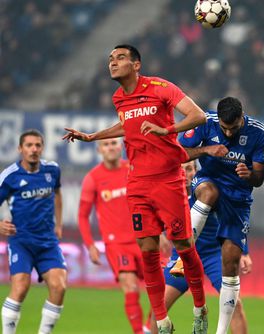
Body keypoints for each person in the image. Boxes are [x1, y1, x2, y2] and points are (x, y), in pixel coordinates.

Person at [62, 44, 209, 334]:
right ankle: (162, 322)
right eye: (110, 59)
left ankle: (200, 308)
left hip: (168, 179)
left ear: (136, 64)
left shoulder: (160, 87)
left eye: (119, 58)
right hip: (138, 182)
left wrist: (165, 130)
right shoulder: (119, 98)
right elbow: (127, 125)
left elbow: (198, 116)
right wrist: (93, 137)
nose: (112, 63)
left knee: (184, 246)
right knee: (148, 250)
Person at [177, 96, 264, 334]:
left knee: (230, 266)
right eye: (224, 128)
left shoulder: (259, 133)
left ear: (242, 118)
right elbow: (178, 153)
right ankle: (184, 252)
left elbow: (259, 178)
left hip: (238, 199)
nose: (228, 134)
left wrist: (249, 174)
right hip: (208, 180)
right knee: (209, 193)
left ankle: (220, 331)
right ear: (218, 120)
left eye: (234, 128)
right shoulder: (204, 122)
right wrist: (207, 149)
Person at [150, 160, 251, 334]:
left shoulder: (207, 190)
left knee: (235, 305)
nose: (184, 174)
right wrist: (158, 234)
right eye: (179, 169)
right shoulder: (166, 194)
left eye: (189, 169)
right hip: (181, 256)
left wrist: (244, 252)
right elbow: (152, 215)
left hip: (214, 255)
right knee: (158, 308)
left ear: (196, 171)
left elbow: (233, 219)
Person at [78, 138, 148, 334]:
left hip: (144, 239)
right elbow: (83, 216)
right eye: (106, 144)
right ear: (99, 150)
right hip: (116, 244)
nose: (110, 147)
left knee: (161, 287)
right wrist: (90, 245)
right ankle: (138, 332)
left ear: (121, 147)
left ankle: (152, 327)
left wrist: (161, 232)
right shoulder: (93, 178)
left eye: (113, 143)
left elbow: (150, 199)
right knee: (129, 285)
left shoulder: (133, 169)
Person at [0, 129, 66, 334]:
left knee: (59, 287)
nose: (34, 149)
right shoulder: (10, 176)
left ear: (42, 148)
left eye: (38, 145)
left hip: (48, 241)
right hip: (22, 240)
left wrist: (58, 224)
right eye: (29, 145)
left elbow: (57, 193)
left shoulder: (52, 170)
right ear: (20, 149)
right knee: (20, 288)